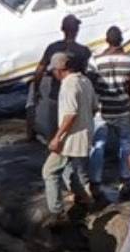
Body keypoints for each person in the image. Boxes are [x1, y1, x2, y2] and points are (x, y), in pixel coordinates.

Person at [42, 51, 98, 217]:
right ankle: (85, 197)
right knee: (68, 170)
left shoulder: (68, 84)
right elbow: (94, 108)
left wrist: (57, 137)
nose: (53, 74)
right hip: (85, 134)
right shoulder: (85, 80)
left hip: (70, 139)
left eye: (53, 71)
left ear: (60, 69)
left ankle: (57, 212)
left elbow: (70, 114)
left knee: (49, 171)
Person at [90, 26, 130, 193]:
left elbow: (92, 87)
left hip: (102, 109)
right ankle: (125, 179)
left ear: (107, 40)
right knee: (125, 144)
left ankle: (95, 181)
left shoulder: (95, 61)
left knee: (98, 145)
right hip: (122, 109)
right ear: (121, 40)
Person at [26, 14, 92, 143]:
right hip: (74, 94)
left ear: (62, 29)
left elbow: (40, 69)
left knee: (55, 128)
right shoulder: (84, 51)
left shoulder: (52, 48)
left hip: (55, 94)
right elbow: (85, 74)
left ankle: (54, 149)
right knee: (73, 129)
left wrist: (36, 89)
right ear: (77, 31)